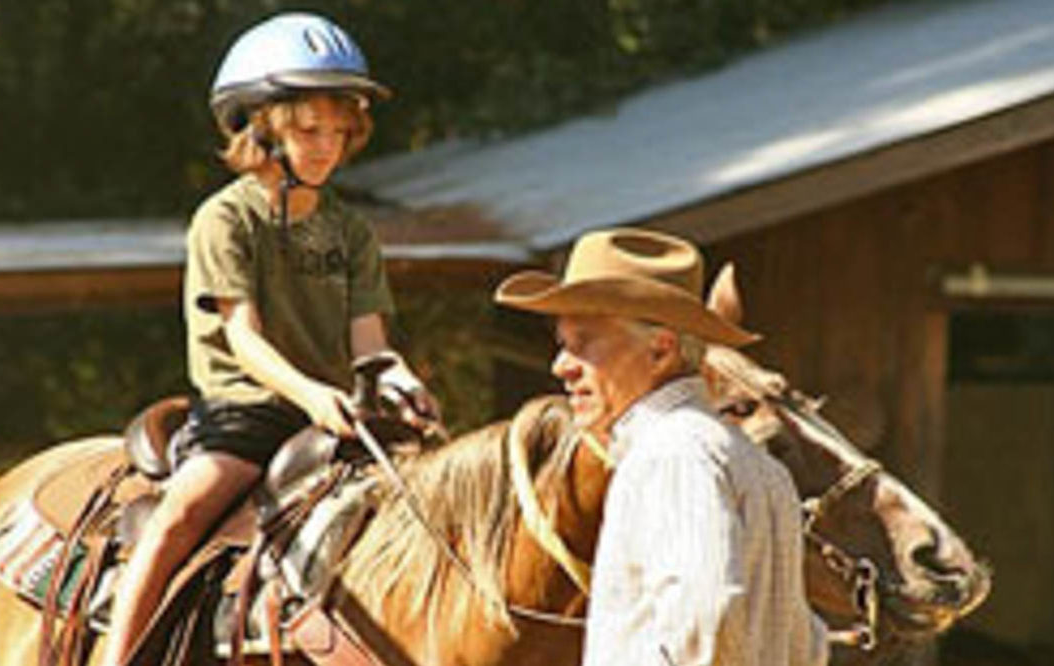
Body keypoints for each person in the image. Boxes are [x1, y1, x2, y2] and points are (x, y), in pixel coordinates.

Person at [99, 13, 439, 665]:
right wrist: (312, 395)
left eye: (340, 131)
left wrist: (401, 382)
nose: (326, 147)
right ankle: (116, 657)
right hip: (246, 414)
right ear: (258, 126)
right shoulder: (224, 219)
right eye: (308, 129)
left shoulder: (352, 232)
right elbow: (243, 338)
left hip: (337, 418)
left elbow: (371, 346)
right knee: (181, 514)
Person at [494, 228, 827, 666]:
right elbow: (808, 643)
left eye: (585, 342)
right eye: (562, 344)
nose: (562, 366)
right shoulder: (755, 464)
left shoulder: (671, 454)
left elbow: (706, 617)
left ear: (661, 349)